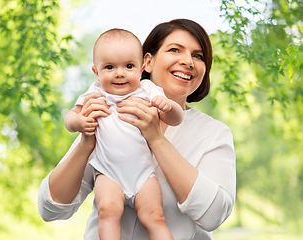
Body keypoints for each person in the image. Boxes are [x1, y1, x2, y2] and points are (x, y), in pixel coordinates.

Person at [38, 19, 236, 240]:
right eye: (175, 50)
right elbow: (51, 208)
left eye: (198, 56)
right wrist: (86, 144)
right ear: (148, 62)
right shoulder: (108, 111)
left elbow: (214, 215)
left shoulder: (214, 133)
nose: (188, 61)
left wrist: (156, 139)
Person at [64, 28, 183, 240]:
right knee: (107, 213)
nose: (120, 73)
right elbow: (70, 118)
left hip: (143, 175)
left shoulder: (148, 90)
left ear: (142, 67)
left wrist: (168, 106)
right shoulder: (95, 92)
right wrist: (79, 122)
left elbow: (176, 119)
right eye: (109, 67)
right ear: (96, 72)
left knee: (155, 217)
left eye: (129, 66)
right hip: (108, 174)